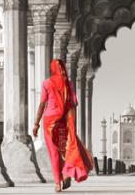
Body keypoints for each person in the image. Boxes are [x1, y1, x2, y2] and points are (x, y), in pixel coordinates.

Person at [33, 59, 93, 192]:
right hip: (63, 122)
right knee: (66, 149)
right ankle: (66, 174)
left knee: (54, 153)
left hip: (49, 123)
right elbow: (73, 104)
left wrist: (36, 124)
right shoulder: (68, 84)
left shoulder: (47, 83)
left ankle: (57, 183)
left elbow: (42, 104)